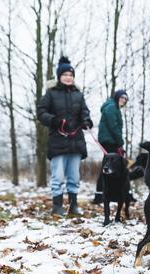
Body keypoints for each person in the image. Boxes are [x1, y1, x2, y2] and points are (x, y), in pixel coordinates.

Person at [38, 56, 93, 216]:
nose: (68, 77)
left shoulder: (79, 94)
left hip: (76, 142)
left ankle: (73, 206)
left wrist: (86, 121)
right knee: (58, 176)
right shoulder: (51, 94)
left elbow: (85, 112)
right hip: (57, 141)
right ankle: (57, 206)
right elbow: (41, 112)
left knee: (74, 176)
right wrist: (55, 121)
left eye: (70, 75)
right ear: (59, 77)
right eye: (65, 75)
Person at [92, 90, 128, 204]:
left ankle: (107, 194)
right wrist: (120, 142)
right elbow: (114, 127)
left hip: (111, 140)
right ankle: (100, 195)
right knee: (107, 167)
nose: (124, 100)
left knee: (109, 167)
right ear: (117, 97)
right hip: (109, 141)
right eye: (122, 98)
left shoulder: (114, 107)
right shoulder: (112, 107)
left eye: (125, 99)